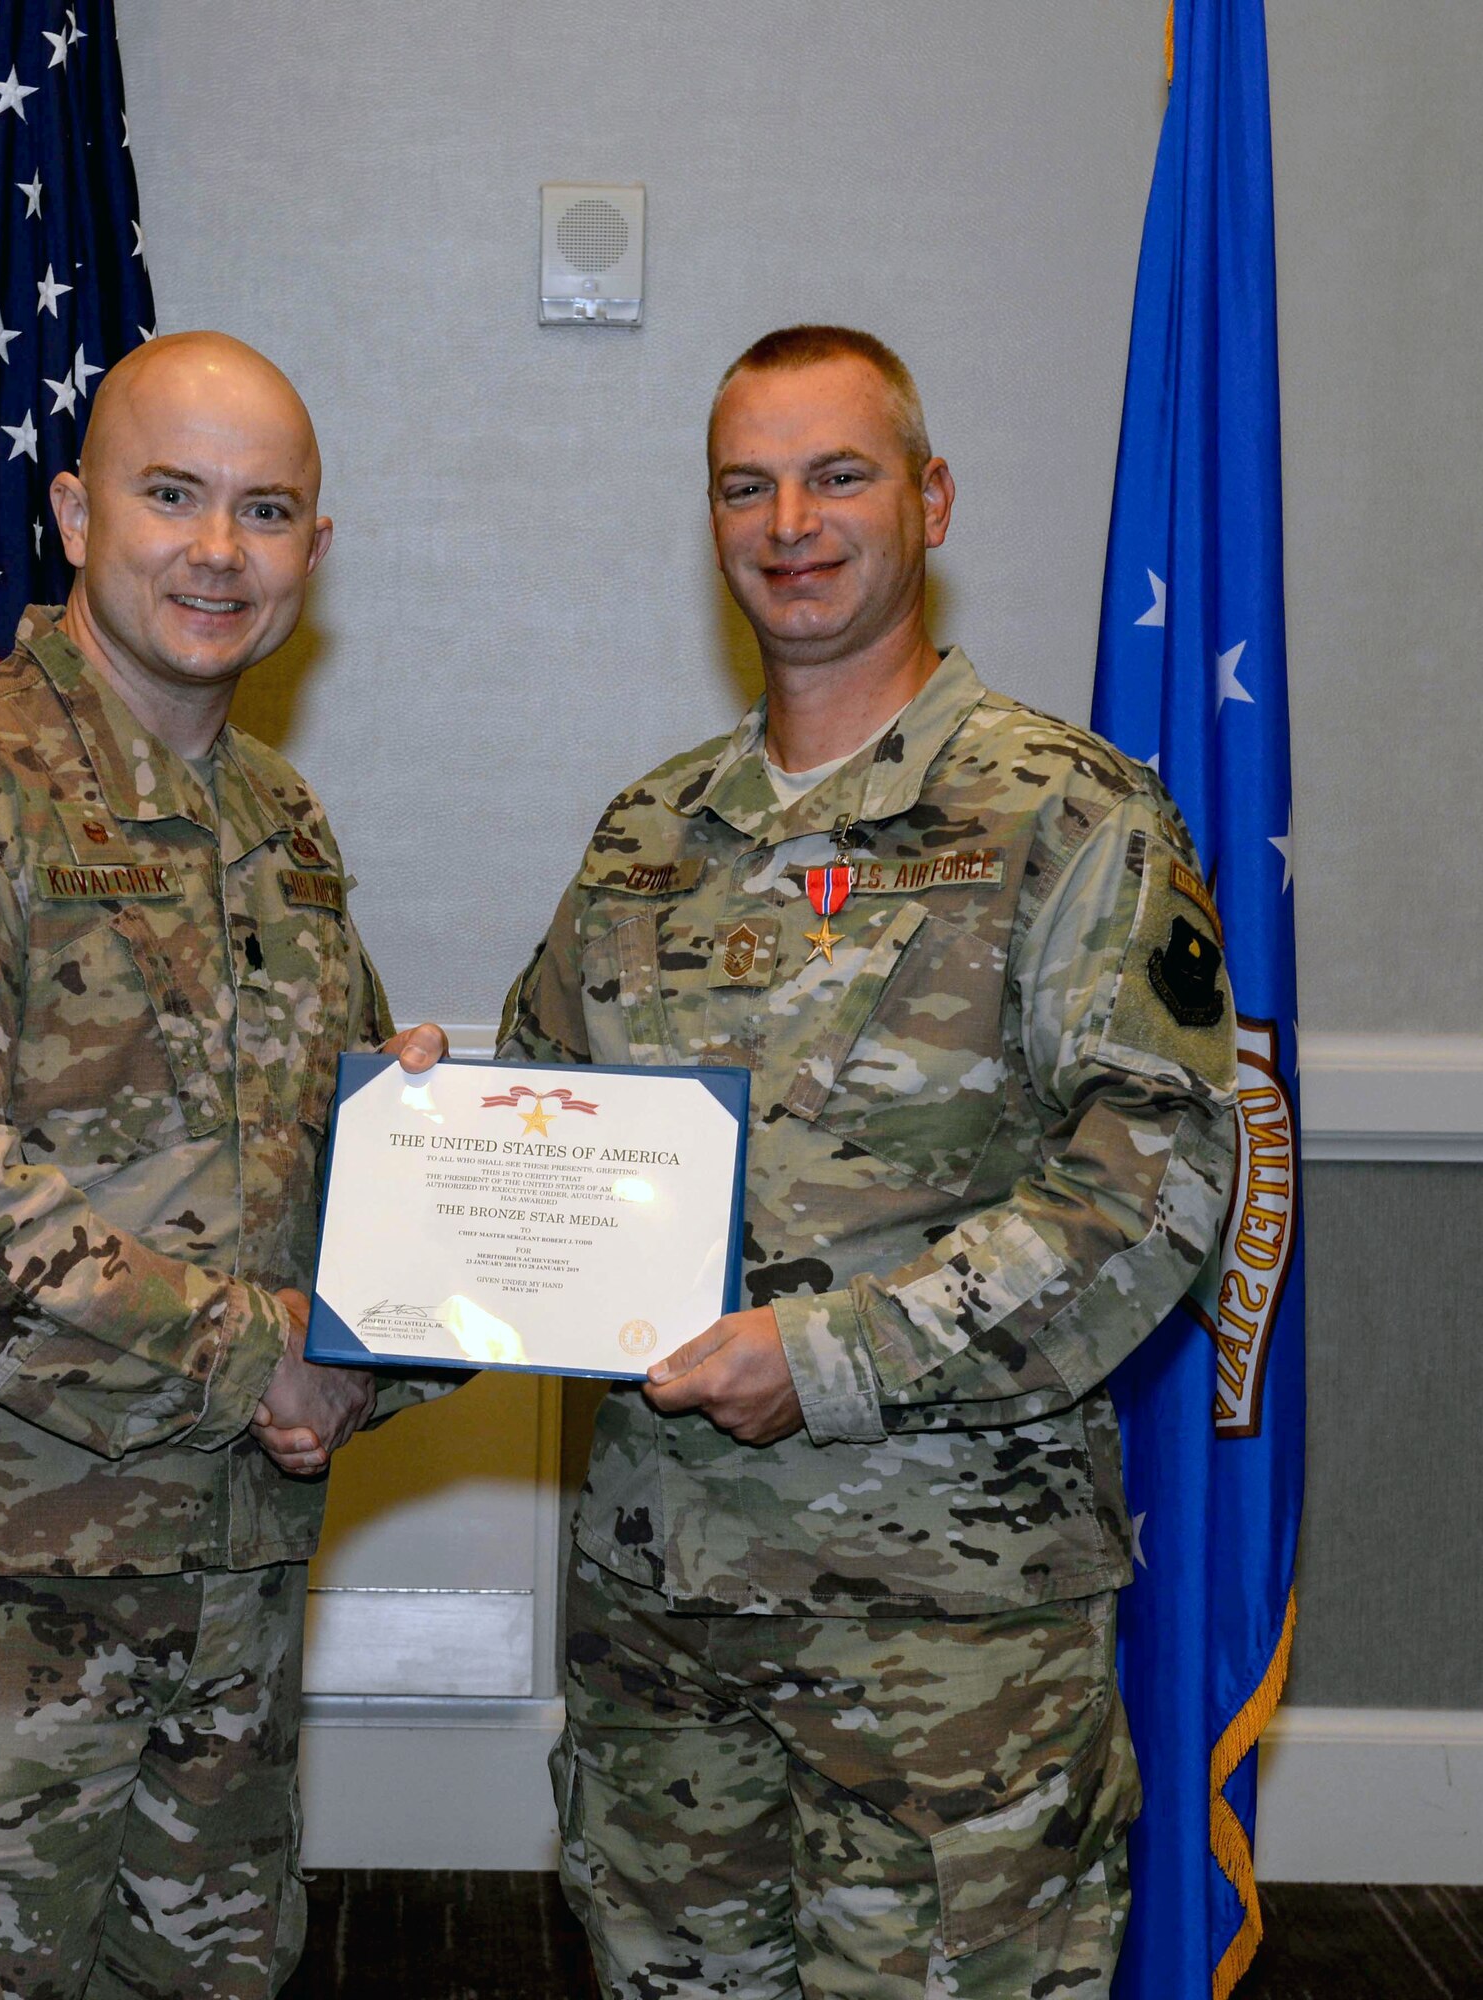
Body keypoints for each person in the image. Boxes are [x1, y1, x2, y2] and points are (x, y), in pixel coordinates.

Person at [500, 326, 1239, 1998]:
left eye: (838, 474)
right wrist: (422, 1144)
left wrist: (826, 1358)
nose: (791, 523)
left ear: (929, 498)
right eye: (745, 484)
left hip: (947, 1655)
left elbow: (1153, 1186)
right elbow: (538, 1136)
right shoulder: (647, 837)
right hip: (661, 1638)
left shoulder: (1071, 816)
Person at [0, 331, 445, 2000]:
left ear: (312, 553)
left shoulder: (282, 830)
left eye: (265, 510)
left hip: (224, 1630)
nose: (215, 548)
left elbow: (313, 1167)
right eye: (169, 494)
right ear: (70, 508)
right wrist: (277, 1353)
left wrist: (425, 1176)